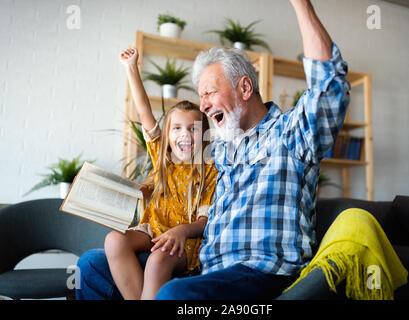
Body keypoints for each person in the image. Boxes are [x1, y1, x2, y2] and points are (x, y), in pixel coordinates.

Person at [76, 0, 350, 300]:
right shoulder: (216, 149)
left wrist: (300, 4)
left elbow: (328, 85)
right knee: (91, 266)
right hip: (206, 268)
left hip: (260, 273)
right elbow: (160, 139)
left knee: (175, 296)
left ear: (245, 89)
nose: (203, 104)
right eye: (200, 96)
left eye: (209, 92)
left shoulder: (291, 134)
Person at [78, 47, 217, 300]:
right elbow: (144, 112)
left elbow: (205, 220)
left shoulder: (209, 169)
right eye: (176, 128)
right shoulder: (163, 159)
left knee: (157, 260)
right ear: (167, 135)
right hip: (151, 230)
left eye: (193, 129)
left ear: (205, 135)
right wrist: (131, 68)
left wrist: (181, 231)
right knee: (113, 241)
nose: (184, 134)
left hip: (182, 242)